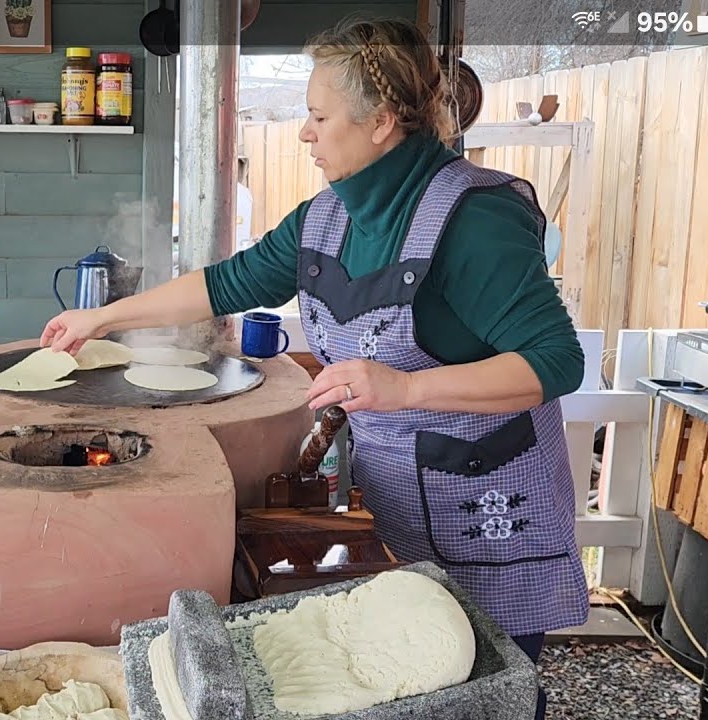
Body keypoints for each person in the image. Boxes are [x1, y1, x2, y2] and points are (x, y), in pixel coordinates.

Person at [42, 18, 583, 719]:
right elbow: (224, 283)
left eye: (319, 116)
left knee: (491, 692)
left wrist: (406, 387)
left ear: (383, 121)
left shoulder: (474, 220)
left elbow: (555, 361)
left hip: (489, 518)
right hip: (401, 508)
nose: (304, 133)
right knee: (412, 686)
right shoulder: (327, 219)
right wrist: (104, 318)